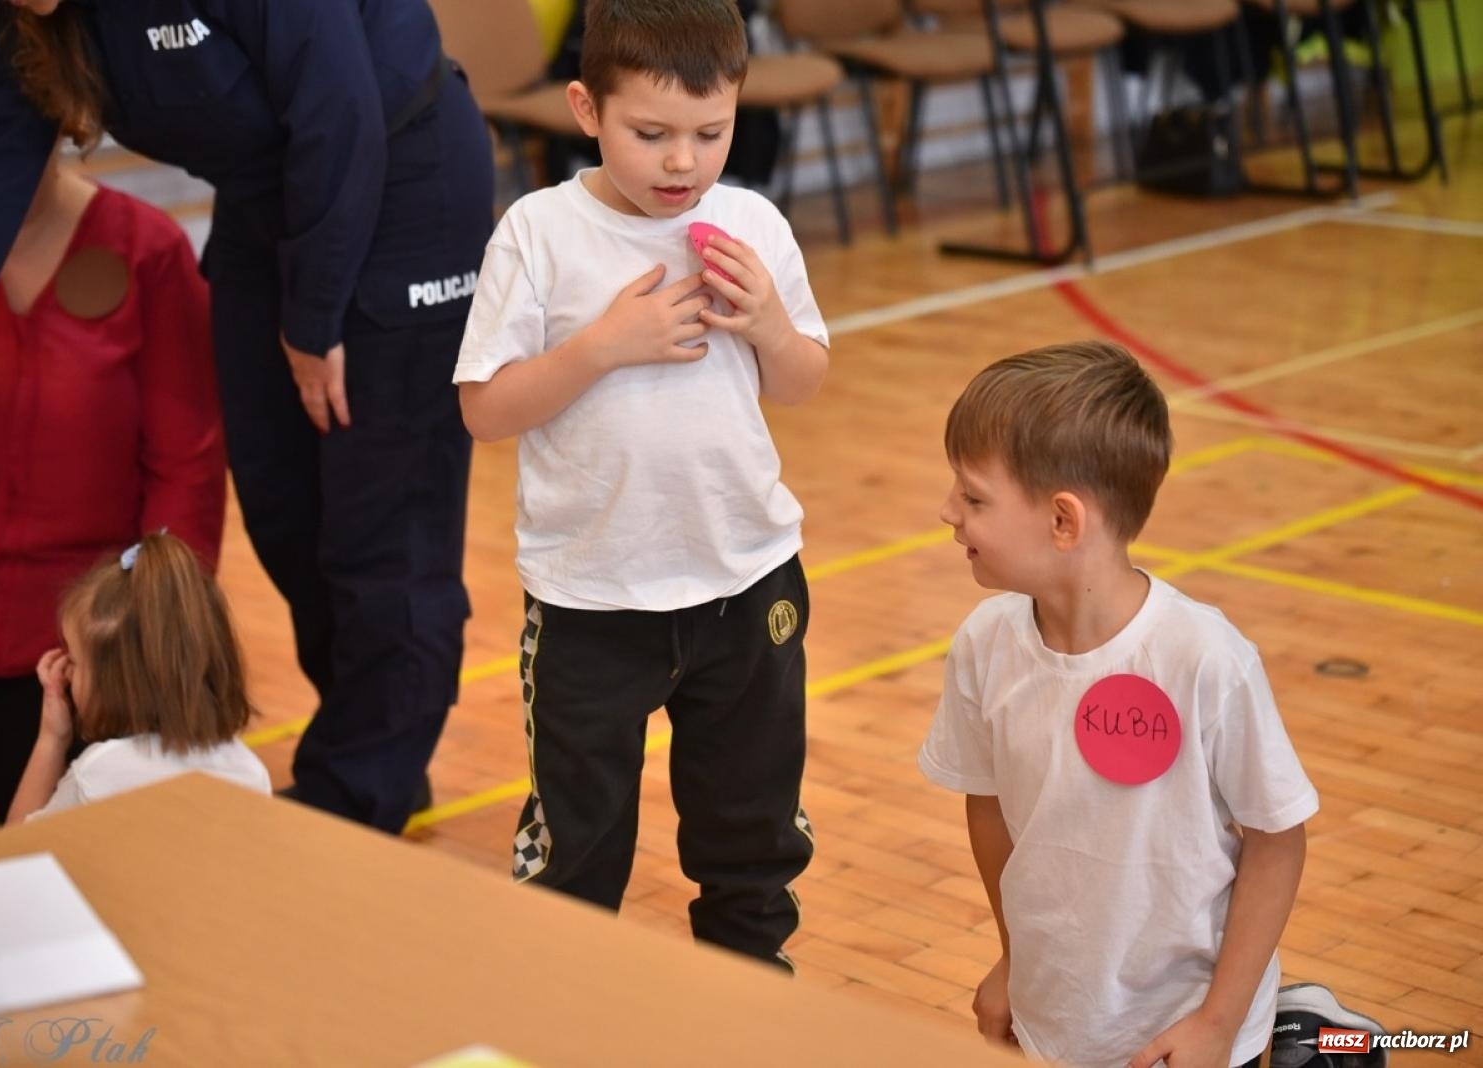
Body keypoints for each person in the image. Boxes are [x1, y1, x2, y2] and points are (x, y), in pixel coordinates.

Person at [0, 0, 496, 832]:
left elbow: (338, 105)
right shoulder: (31, 18)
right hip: (267, 197)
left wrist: (313, 320)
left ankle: (357, 795)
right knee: (281, 506)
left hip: (399, 179)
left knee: (384, 521)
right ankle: (373, 740)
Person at [454, 0, 828, 969]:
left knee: (751, 834)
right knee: (574, 851)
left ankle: (750, 996)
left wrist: (770, 327)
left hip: (745, 579)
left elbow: (802, 381)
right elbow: (484, 410)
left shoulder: (750, 222)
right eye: (651, 134)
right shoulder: (538, 233)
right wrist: (602, 347)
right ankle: (573, 1011)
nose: (683, 162)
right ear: (586, 108)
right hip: (591, 600)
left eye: (711, 132)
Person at [917, 341, 1319, 1068]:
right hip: (1053, 1021)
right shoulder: (984, 643)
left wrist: (1218, 1024)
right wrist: (1014, 959)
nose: (948, 511)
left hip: (1189, 1033)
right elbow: (989, 808)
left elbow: (1276, 841)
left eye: (973, 498)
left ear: (1063, 522)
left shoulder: (1205, 659)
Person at [0, 60, 225, 856]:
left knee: (80, 863)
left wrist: (144, 641)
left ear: (58, 122)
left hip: (70, 651)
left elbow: (187, 468)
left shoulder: (148, 251)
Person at [8, 532, 270, 822]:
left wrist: (51, 739)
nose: (67, 673)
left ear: (115, 685)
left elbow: (17, 842)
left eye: (75, 662)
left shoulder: (99, 774)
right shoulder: (250, 772)